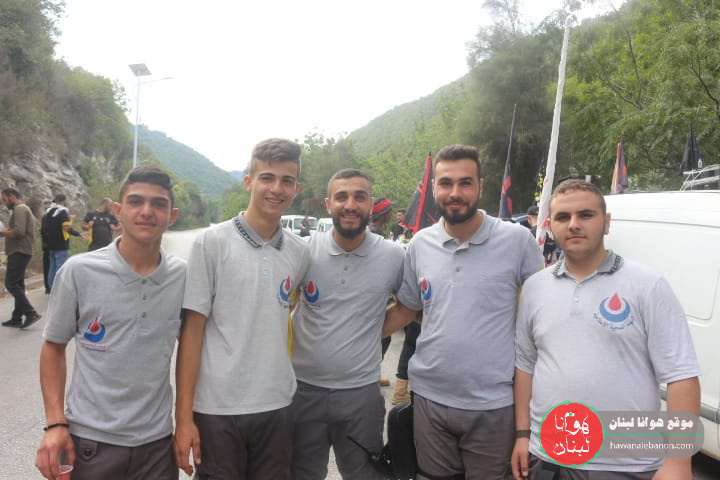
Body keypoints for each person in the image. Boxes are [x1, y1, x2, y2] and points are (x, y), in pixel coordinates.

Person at [511, 179, 701, 480]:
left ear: (607, 222)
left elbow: (682, 377)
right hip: (548, 459)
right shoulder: (535, 288)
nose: (574, 224)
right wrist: (522, 435)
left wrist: (679, 463)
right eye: (563, 217)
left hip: (628, 464)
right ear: (551, 226)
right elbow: (525, 366)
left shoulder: (648, 285)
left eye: (586, 215)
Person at [383, 144, 544, 479]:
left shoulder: (517, 241)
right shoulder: (420, 244)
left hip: (494, 404)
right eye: (446, 183)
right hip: (429, 399)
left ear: (480, 186)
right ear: (434, 189)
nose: (455, 193)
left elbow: (543, 314)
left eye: (465, 183)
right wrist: (345, 336)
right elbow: (406, 310)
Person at [34, 166, 186, 480]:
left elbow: (193, 354)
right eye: (136, 201)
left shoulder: (183, 276)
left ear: (172, 215)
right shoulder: (79, 271)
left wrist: (186, 422)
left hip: (157, 447)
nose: (147, 211)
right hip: (90, 444)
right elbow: (53, 348)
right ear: (118, 211)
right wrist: (55, 424)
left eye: (158, 204)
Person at [174, 138, 310, 479]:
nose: (276, 188)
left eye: (287, 180)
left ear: (296, 189)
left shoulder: (299, 252)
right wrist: (184, 418)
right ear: (248, 182)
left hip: (277, 405)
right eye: (267, 178)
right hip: (217, 409)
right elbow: (191, 333)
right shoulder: (211, 243)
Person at [291, 168, 405, 480]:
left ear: (371, 204)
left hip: (360, 395)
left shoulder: (394, 256)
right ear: (328, 204)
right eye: (341, 197)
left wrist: (370, 330)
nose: (350, 205)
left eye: (359, 197)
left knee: (366, 475)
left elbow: (410, 306)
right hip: (302, 391)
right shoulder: (303, 251)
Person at [1, 187, 41, 329]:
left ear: (12, 196)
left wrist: (2, 233)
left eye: (5, 199)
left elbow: (18, 232)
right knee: (18, 284)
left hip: (19, 251)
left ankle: (31, 313)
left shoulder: (20, 209)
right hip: (21, 251)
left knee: (11, 284)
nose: (4, 203)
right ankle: (16, 318)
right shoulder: (21, 209)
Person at [43, 193, 82, 291]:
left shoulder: (49, 212)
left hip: (51, 244)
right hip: (61, 244)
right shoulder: (63, 212)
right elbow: (66, 228)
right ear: (63, 201)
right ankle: (59, 290)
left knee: (52, 267)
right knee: (61, 268)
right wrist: (71, 220)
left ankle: (52, 288)